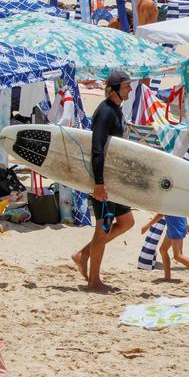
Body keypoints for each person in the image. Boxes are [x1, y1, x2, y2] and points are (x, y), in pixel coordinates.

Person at [72, 70, 135, 292]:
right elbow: (96, 149)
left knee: (126, 222)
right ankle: (94, 281)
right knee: (103, 229)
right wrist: (98, 184)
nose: (129, 89)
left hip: (113, 180)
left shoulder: (117, 111)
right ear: (115, 88)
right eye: (126, 85)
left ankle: (84, 254)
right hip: (103, 181)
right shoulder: (105, 112)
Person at [141, 214, 189, 283]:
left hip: (176, 227)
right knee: (163, 250)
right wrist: (185, 223)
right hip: (174, 226)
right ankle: (167, 277)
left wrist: (147, 226)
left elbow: (160, 214)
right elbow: (181, 209)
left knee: (178, 256)